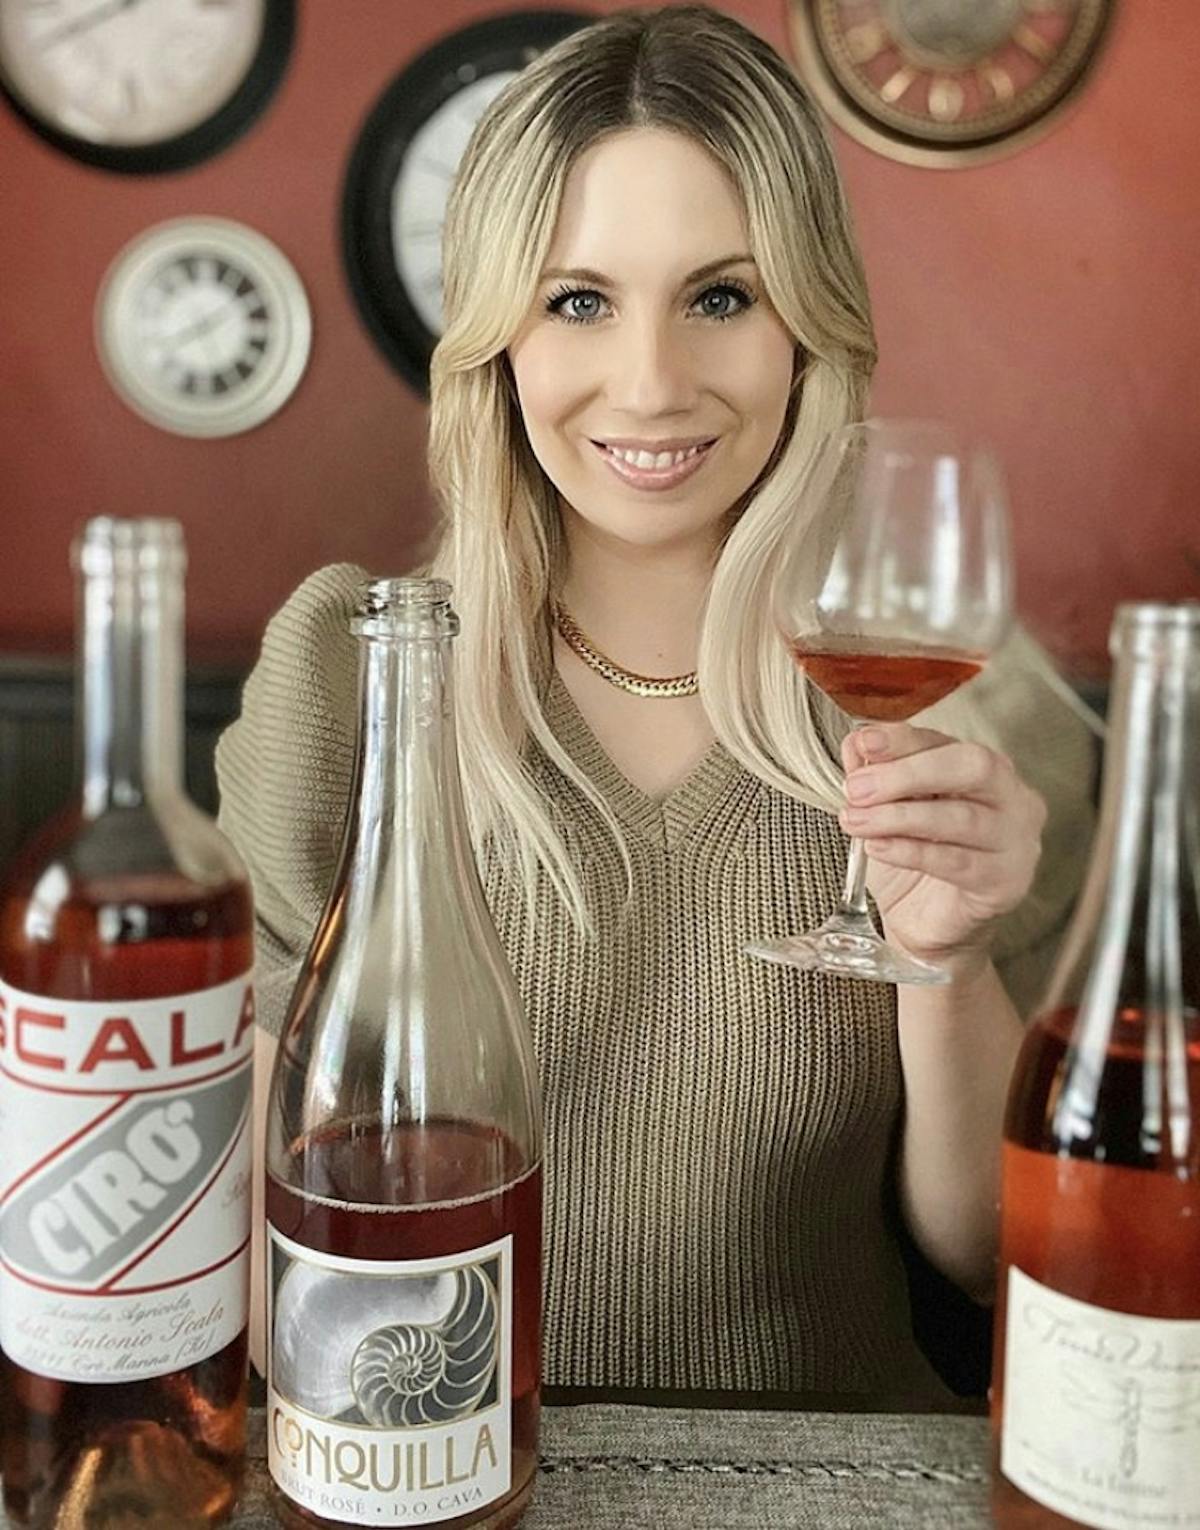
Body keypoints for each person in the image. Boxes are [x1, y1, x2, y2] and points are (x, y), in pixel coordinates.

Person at [216, 4, 1097, 1400]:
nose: (651, 383)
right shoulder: (346, 675)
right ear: (496, 340)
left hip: (829, 1488)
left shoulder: (950, 701)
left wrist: (947, 964)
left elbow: (992, 1257)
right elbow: (247, 1239)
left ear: (808, 325)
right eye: (579, 301)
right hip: (438, 1473)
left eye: (720, 296)